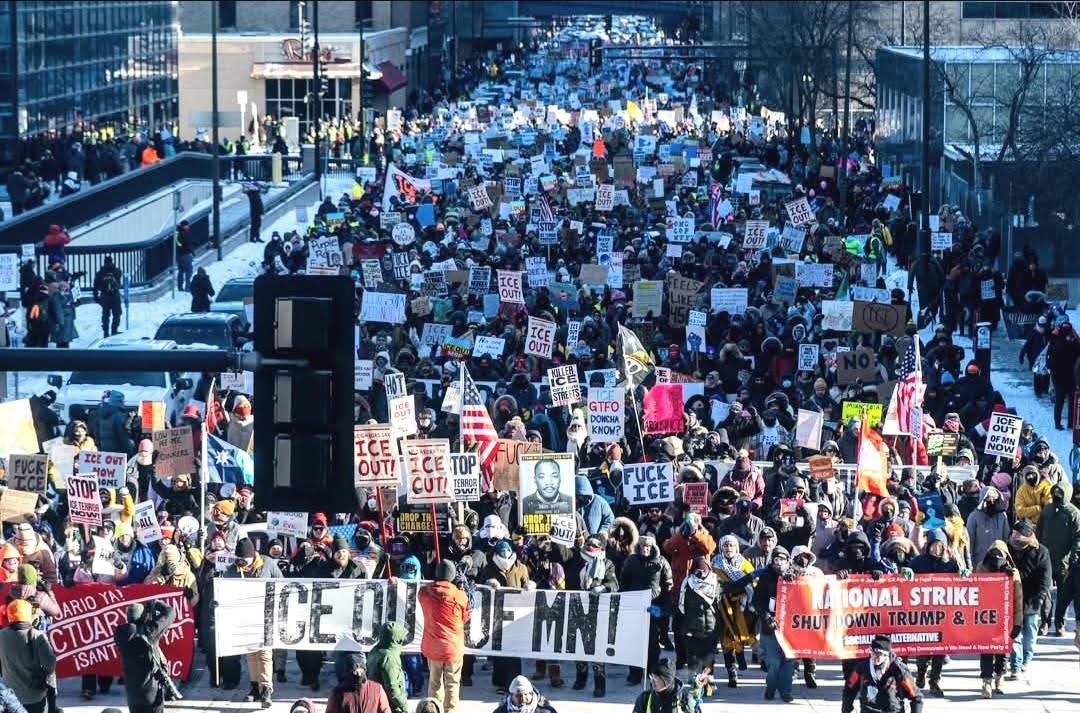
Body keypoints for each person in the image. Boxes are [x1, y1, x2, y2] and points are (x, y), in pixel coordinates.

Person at [417, 560, 470, 713]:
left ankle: (433, 709)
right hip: (453, 648)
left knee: (434, 681)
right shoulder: (460, 596)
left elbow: (424, 592)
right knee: (452, 683)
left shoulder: (424, 593)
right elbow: (466, 616)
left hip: (432, 646)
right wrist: (459, 588)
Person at [114, 598, 177, 713]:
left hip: (132, 693)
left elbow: (132, 630)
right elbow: (170, 612)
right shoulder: (150, 632)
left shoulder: (120, 634)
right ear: (143, 617)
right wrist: (156, 603)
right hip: (151, 692)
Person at [976, 541, 1022, 698]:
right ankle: (986, 681)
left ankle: (999, 677)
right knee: (986, 650)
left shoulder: (1013, 572)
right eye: (994, 554)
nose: (997, 558)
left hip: (1005, 619)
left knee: (1002, 651)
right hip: (986, 618)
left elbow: (1018, 599)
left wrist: (1017, 623)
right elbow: (974, 589)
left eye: (1000, 554)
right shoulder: (981, 568)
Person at [841, 635, 923, 713]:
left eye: (879, 654)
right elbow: (849, 689)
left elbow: (916, 697)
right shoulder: (862, 667)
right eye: (873, 653)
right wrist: (846, 709)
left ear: (886, 655)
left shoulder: (898, 669)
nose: (875, 657)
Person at [0, 599, 56, 713]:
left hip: (10, 699)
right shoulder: (36, 636)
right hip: (34, 697)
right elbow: (50, 663)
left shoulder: (1, 635)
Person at [327, 652, 391, 713]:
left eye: (361, 671)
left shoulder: (377, 689)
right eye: (355, 672)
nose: (359, 674)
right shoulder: (338, 693)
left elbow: (385, 710)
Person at [366, 622, 409, 713]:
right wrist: (404, 706)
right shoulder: (389, 658)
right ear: (396, 639)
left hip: (377, 701)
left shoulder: (375, 650)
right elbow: (392, 689)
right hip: (390, 706)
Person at [92, 255, 123, 337]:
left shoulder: (100, 273)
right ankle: (114, 330)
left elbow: (95, 286)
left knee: (105, 314)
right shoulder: (117, 271)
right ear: (112, 261)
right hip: (115, 295)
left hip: (104, 295)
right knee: (117, 313)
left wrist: (96, 297)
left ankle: (106, 332)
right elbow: (119, 282)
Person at [492, 675, 557, 713]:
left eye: (526, 694)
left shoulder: (546, 711)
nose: (523, 699)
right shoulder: (502, 711)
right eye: (519, 696)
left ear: (531, 694)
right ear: (512, 696)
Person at [175, 220, 194, 292]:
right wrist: (186, 247)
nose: (188, 227)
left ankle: (180, 287)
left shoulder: (178, 232)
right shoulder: (181, 233)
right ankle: (187, 287)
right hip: (184, 254)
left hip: (180, 254)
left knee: (181, 271)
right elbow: (180, 243)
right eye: (187, 225)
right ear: (183, 226)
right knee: (189, 271)